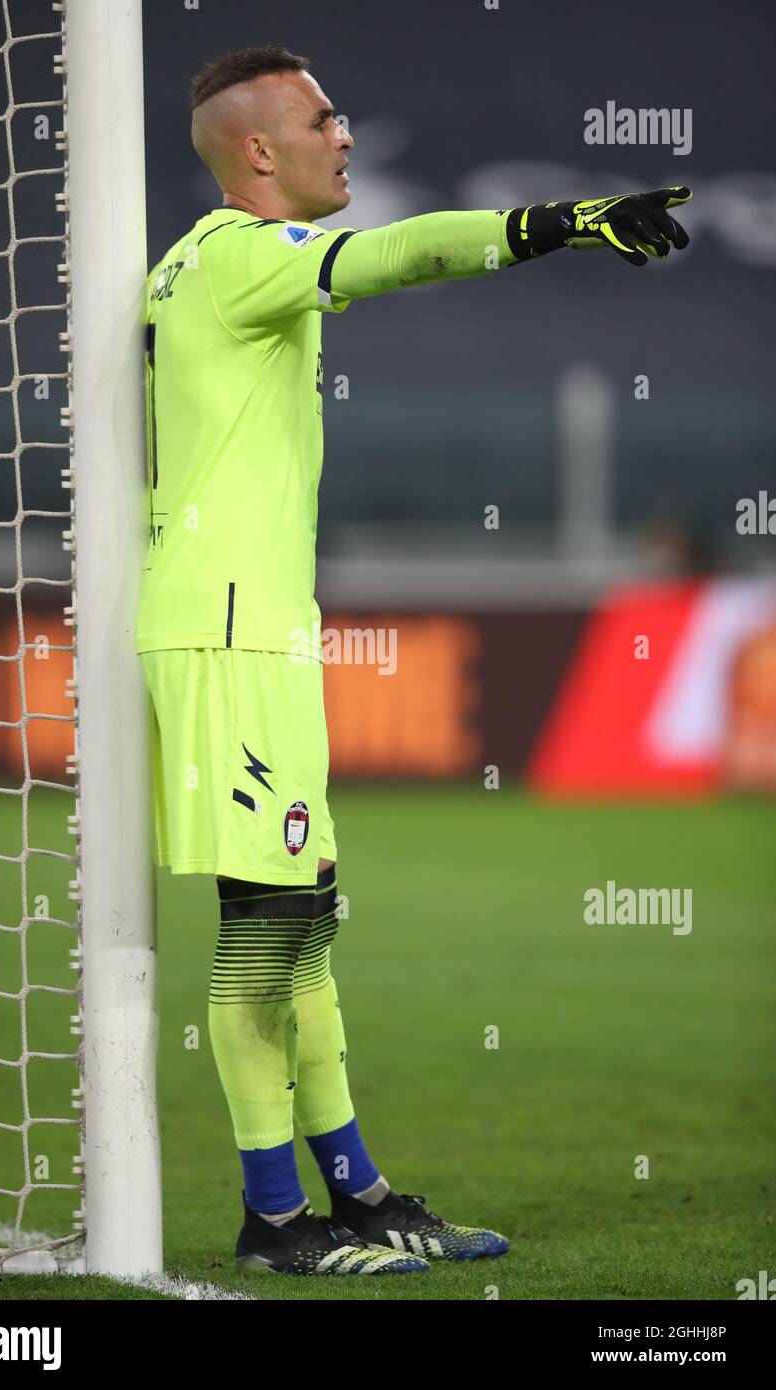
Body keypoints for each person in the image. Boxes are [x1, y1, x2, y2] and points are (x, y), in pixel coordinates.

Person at [136, 44, 691, 1276]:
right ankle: (275, 1218)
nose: (347, 137)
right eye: (324, 119)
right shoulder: (239, 257)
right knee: (264, 932)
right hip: (225, 636)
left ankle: (358, 1192)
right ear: (258, 152)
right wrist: (551, 222)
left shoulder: (206, 275)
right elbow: (396, 254)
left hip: (250, 631)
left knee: (304, 923)